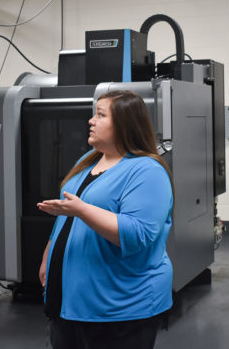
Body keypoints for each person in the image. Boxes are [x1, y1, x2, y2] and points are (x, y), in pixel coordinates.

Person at [37, 90, 174, 349]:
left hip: (120, 307)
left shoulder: (147, 170)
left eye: (100, 115)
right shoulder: (87, 163)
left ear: (125, 124)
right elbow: (66, 218)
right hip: (71, 300)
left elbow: (138, 234)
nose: (91, 120)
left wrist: (82, 210)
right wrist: (48, 256)